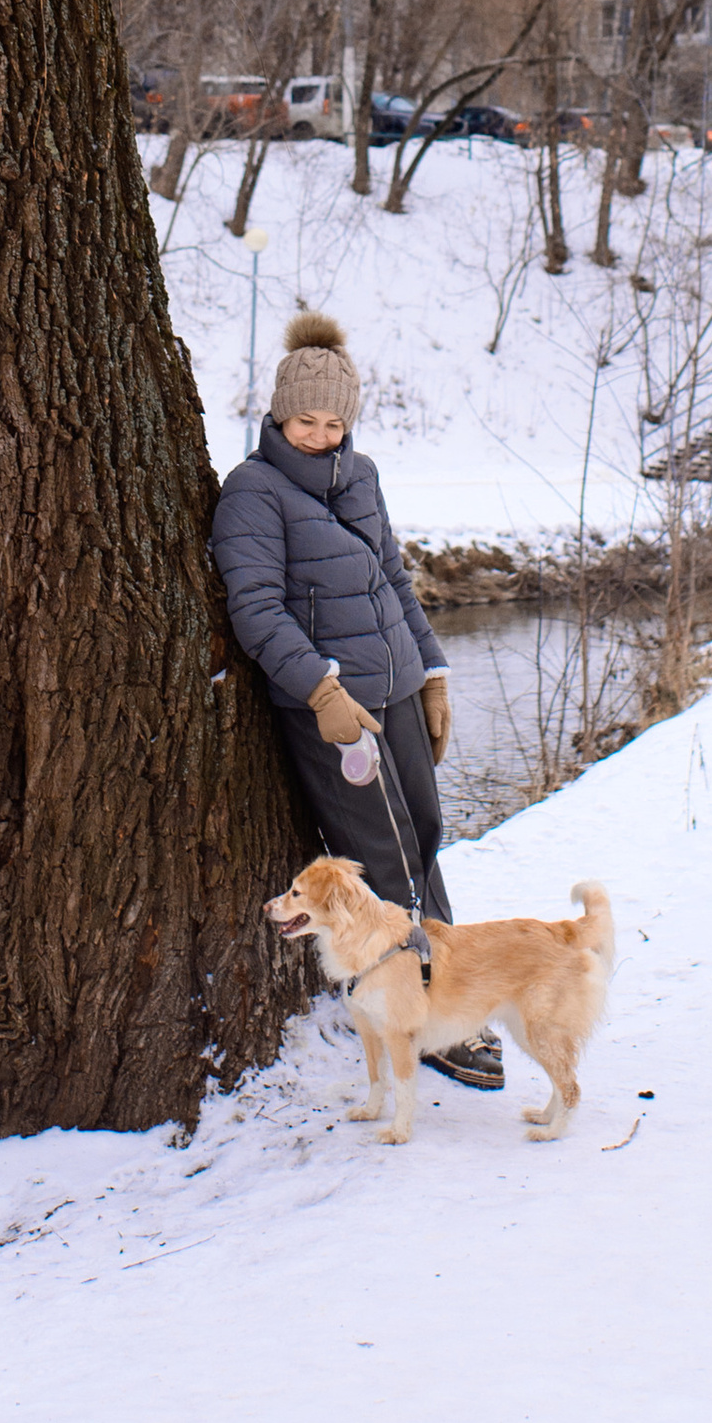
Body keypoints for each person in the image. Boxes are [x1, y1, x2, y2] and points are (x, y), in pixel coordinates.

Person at [210, 309, 503, 1089]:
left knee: (427, 832)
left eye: (334, 420)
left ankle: (448, 983)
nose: (320, 433)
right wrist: (319, 688)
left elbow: (393, 580)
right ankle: (424, 1016)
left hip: (395, 686)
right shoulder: (252, 492)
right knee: (385, 855)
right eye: (305, 418)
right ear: (279, 414)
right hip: (336, 707)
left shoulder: (360, 475)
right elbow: (256, 608)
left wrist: (432, 672)